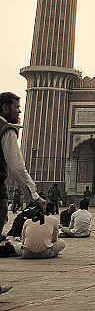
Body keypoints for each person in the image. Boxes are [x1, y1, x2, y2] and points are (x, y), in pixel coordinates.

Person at [0, 92, 46, 236]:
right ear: (5, 108)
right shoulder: (6, 130)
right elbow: (17, 166)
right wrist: (33, 196)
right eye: (16, 107)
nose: (19, 111)